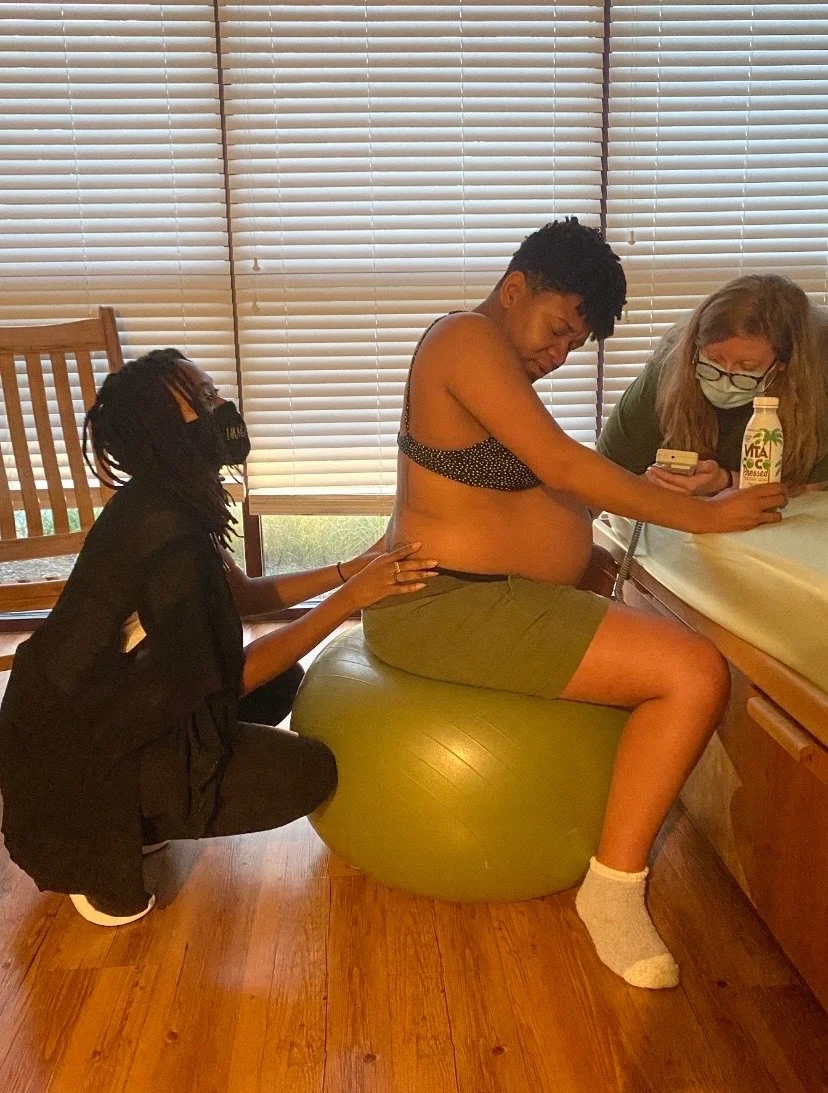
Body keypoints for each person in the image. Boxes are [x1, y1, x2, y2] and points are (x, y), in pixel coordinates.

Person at [362, 218, 787, 990]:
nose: (558, 355)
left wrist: (618, 517)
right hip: (449, 605)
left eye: (572, 346)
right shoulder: (463, 337)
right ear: (515, 287)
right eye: (558, 328)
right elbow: (560, 462)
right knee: (694, 673)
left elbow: (521, 488)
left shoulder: (497, 373)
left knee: (677, 641)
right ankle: (614, 889)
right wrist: (707, 514)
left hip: (485, 595)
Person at [0, 349, 435, 926]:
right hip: (75, 761)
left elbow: (246, 596)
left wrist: (349, 569)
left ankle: (147, 807)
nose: (222, 408)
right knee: (307, 773)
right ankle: (119, 829)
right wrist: (350, 601)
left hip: (111, 712)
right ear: (163, 430)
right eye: (203, 401)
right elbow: (222, 680)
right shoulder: (162, 527)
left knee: (287, 680)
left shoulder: (174, 498)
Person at [597, 274, 828, 494]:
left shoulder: (819, 382)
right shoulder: (669, 370)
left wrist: (726, 482)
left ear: (783, 365)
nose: (725, 378)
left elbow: (811, 492)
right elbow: (604, 475)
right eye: (713, 361)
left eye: (746, 368)